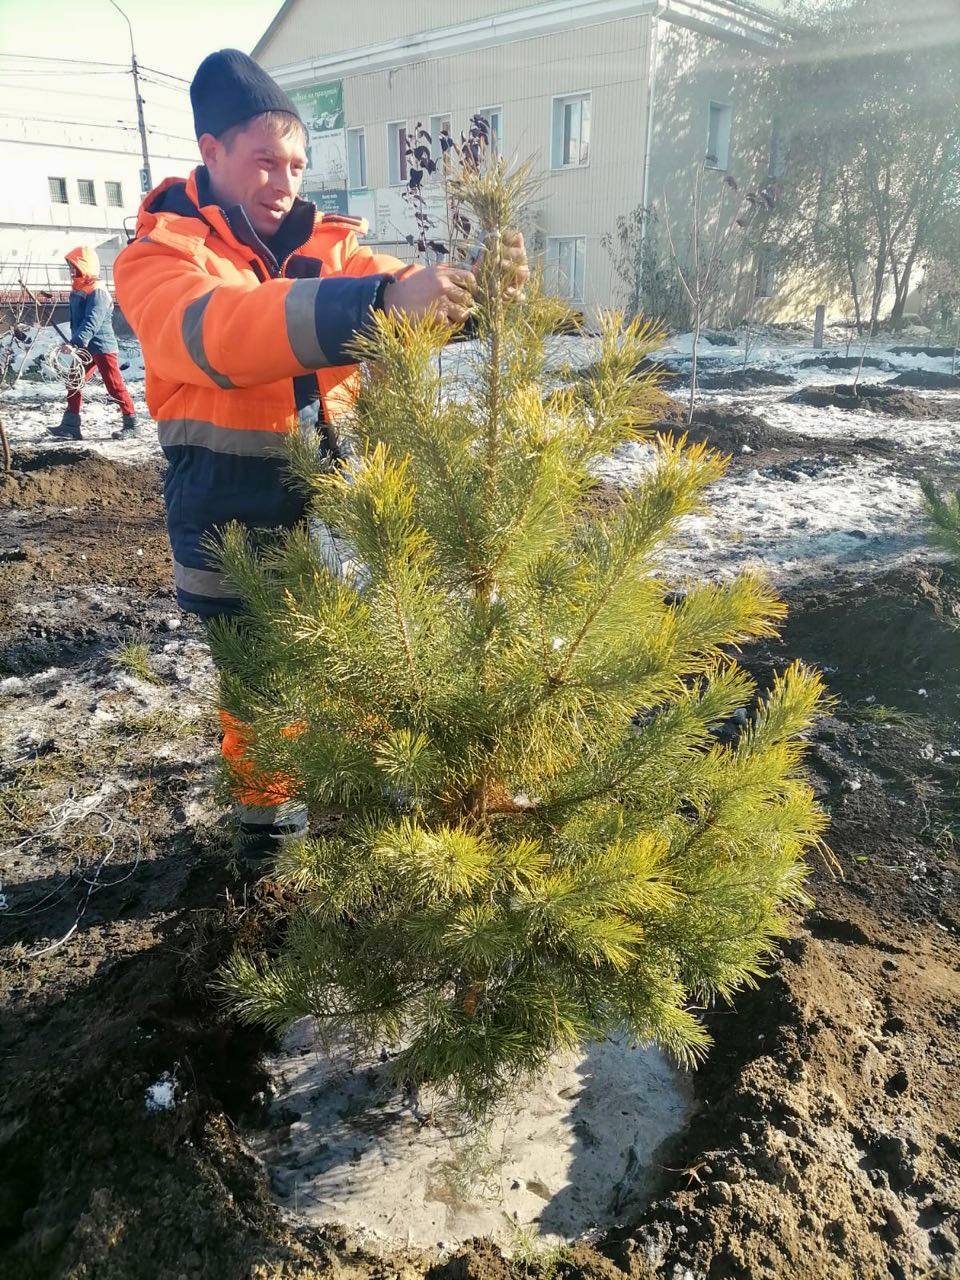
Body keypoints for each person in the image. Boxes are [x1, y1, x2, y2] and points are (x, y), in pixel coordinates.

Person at [114, 49, 528, 861]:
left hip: (333, 512)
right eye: (265, 160)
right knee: (263, 697)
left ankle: (372, 825)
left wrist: (478, 294)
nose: (285, 180)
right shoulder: (159, 258)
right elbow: (219, 331)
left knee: (363, 664)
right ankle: (271, 847)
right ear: (212, 152)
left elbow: (405, 289)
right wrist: (375, 302)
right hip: (228, 519)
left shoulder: (330, 251)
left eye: (297, 163)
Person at [50, 245, 137, 440]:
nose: (71, 270)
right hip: (84, 347)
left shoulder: (98, 291)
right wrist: (77, 343)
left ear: (85, 266)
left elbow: (92, 321)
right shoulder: (79, 289)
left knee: (114, 386)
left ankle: (131, 423)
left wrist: (75, 343)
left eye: (74, 266)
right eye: (70, 266)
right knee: (74, 381)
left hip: (102, 346)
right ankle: (70, 425)